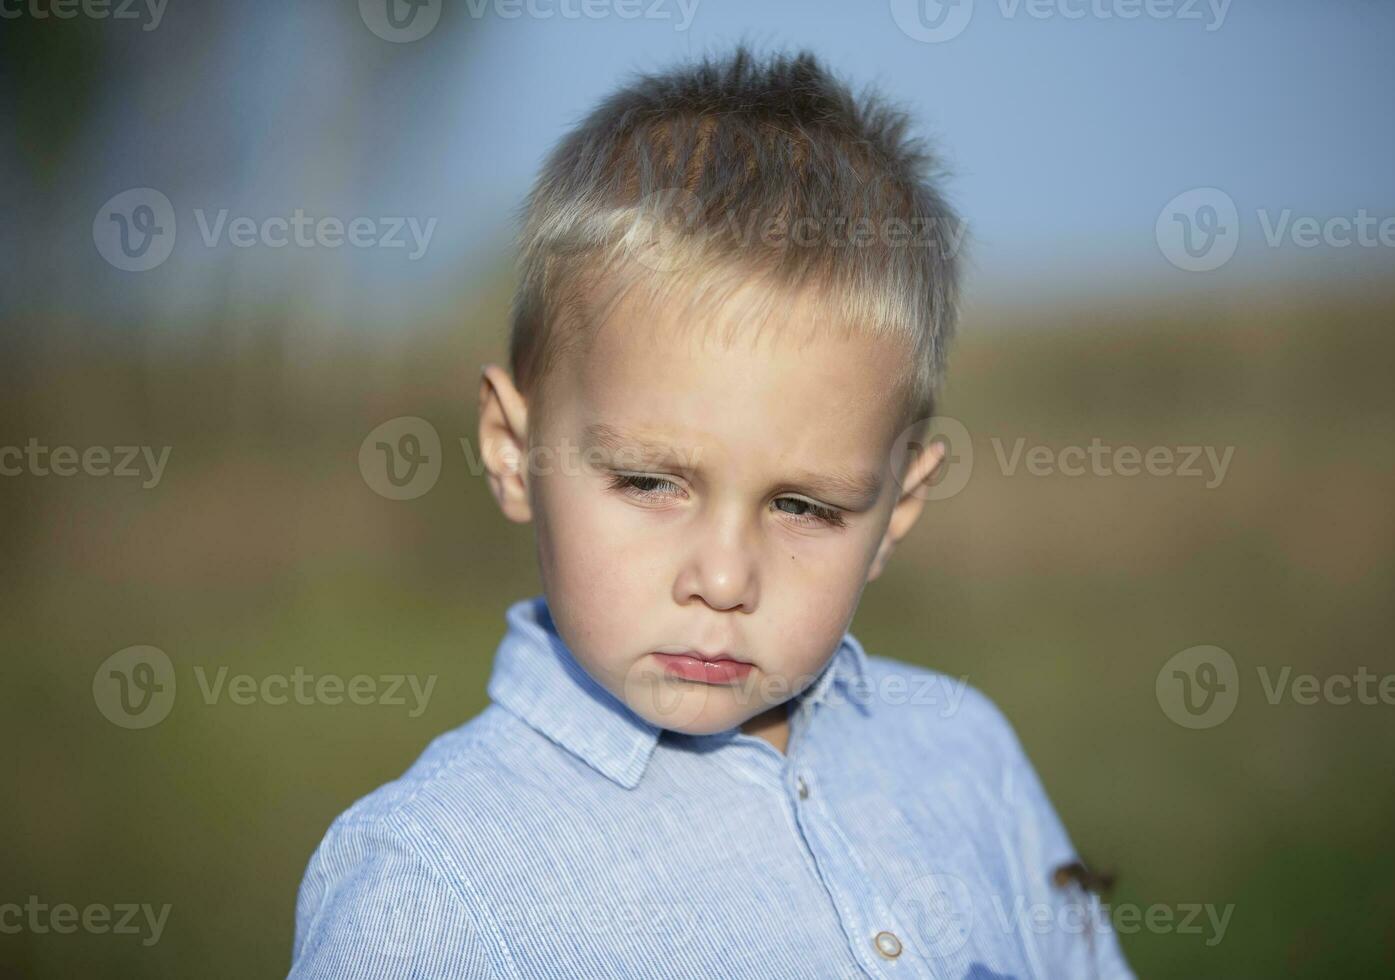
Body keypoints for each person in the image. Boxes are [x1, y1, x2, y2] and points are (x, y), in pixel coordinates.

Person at [289, 45, 1133, 979]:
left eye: (804, 505)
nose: (724, 579)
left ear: (897, 510)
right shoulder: (434, 887)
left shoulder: (965, 754)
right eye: (651, 483)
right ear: (512, 451)